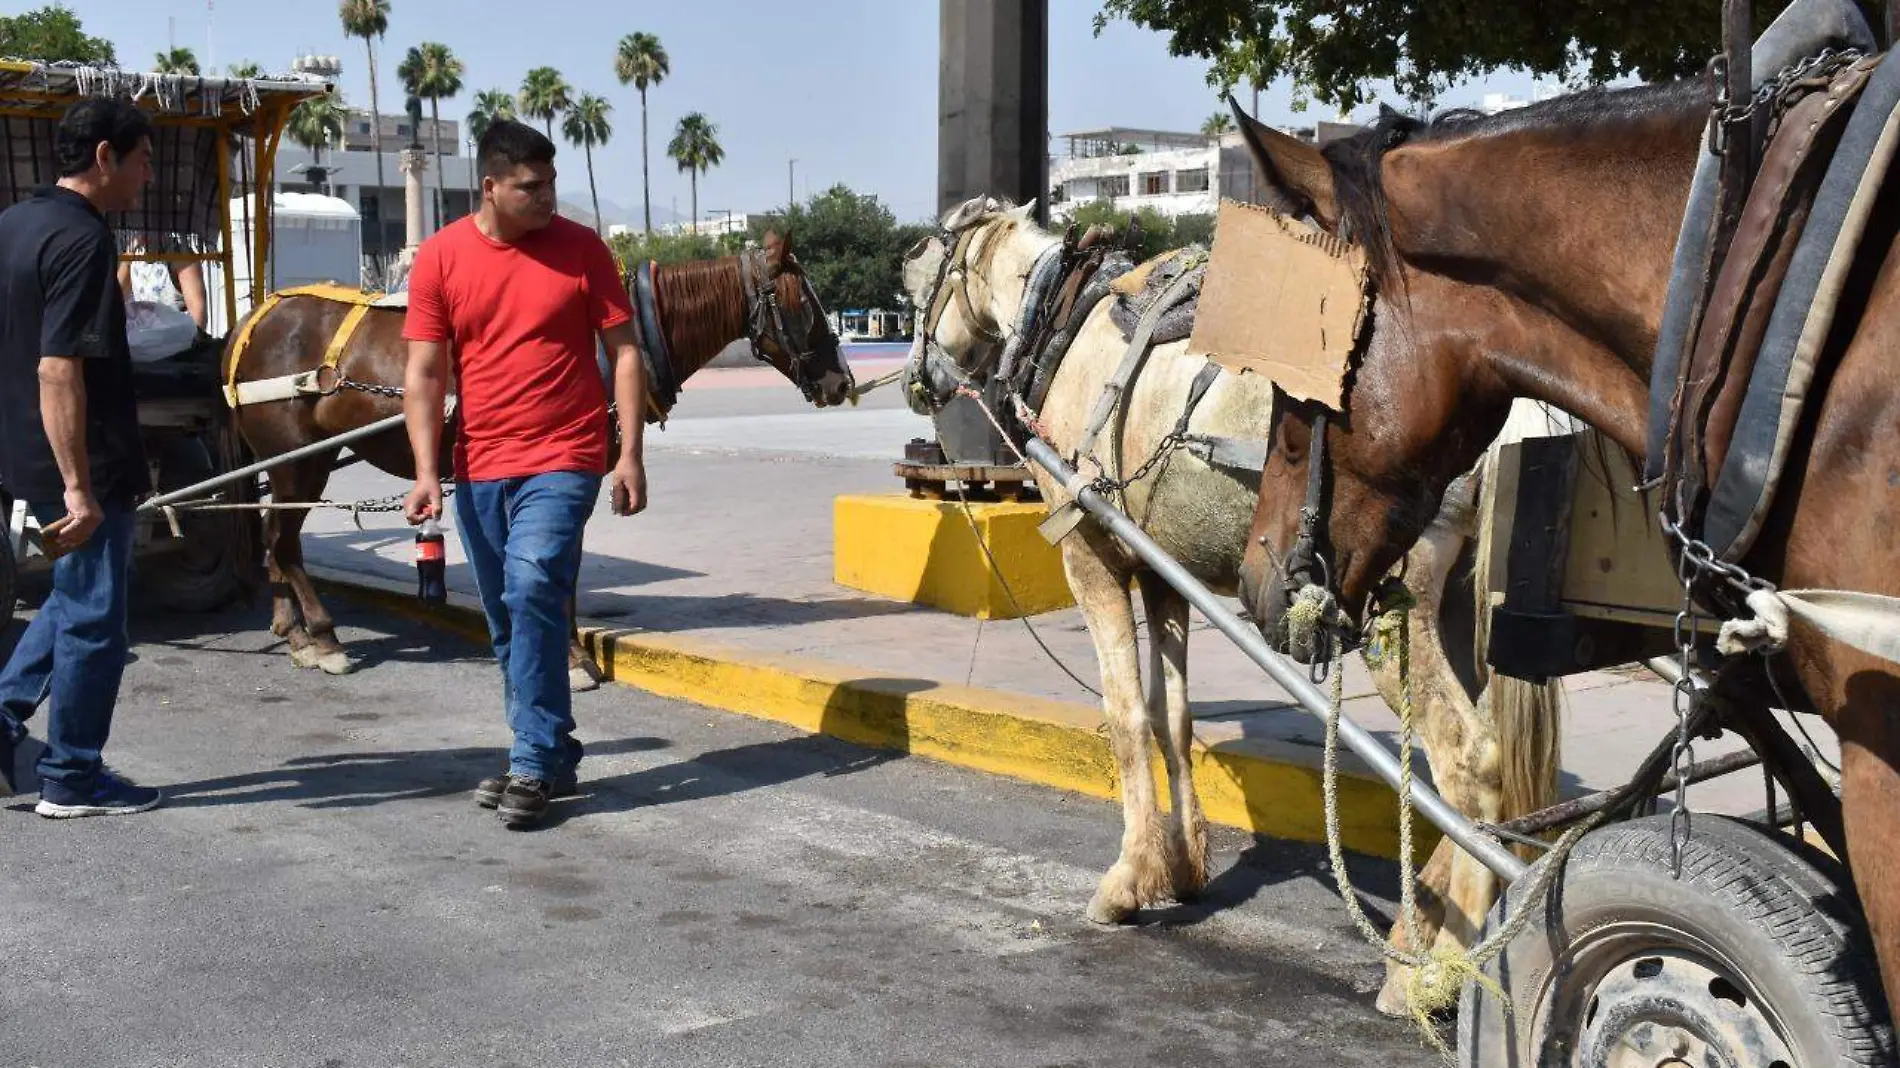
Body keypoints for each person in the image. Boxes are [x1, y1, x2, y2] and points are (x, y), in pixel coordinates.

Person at [400, 119, 647, 829]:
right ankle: (554, 749)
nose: (547, 198)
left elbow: (624, 353)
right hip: (479, 464)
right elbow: (422, 371)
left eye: (551, 184)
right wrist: (425, 472)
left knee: (533, 582)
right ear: (491, 186)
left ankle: (532, 763)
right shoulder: (442, 257)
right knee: (509, 617)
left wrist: (627, 452)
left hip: (566, 455)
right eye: (530, 187)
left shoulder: (583, 250)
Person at [0, 97, 163, 816]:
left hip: (22, 450)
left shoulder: (12, 223)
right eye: (143, 159)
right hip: (80, 460)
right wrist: (79, 488)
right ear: (105, 157)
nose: (149, 176)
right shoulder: (83, 240)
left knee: (71, 600)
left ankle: (2, 716)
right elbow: (57, 368)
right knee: (97, 618)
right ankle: (71, 774)